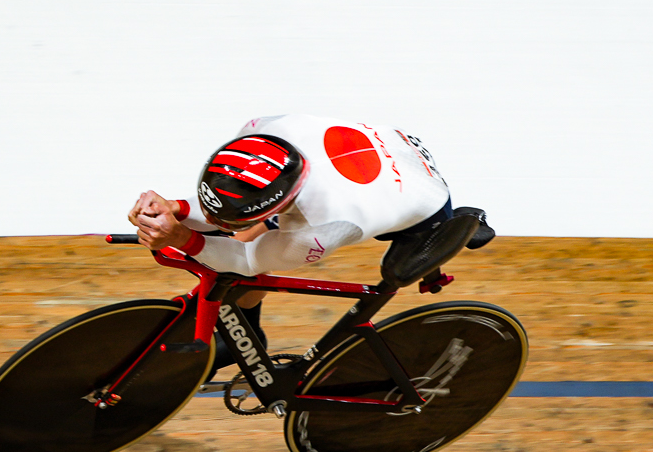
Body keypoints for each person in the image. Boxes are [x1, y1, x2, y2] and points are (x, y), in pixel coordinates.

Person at [127, 113, 483, 380]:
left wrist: (179, 237)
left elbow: (247, 262)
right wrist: (177, 207)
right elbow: (223, 206)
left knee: (246, 253)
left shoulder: (323, 226)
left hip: (423, 202)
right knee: (239, 238)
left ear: (283, 205)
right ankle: (249, 333)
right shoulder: (260, 130)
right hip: (386, 150)